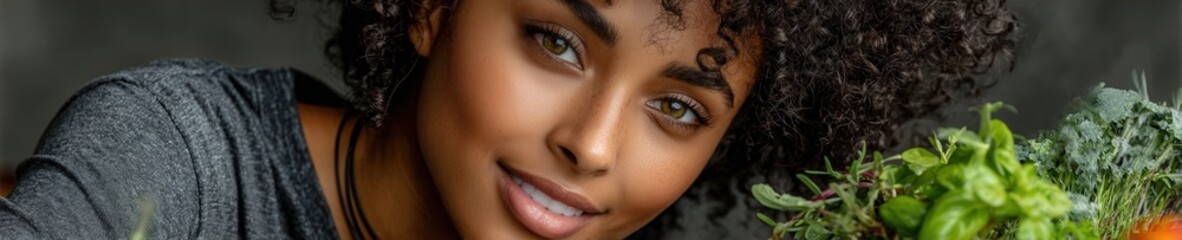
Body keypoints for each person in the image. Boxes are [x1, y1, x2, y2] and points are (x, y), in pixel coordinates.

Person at [0, 0, 1016, 238]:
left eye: (677, 107)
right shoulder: (172, 153)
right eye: (557, 43)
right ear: (434, 8)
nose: (595, 144)